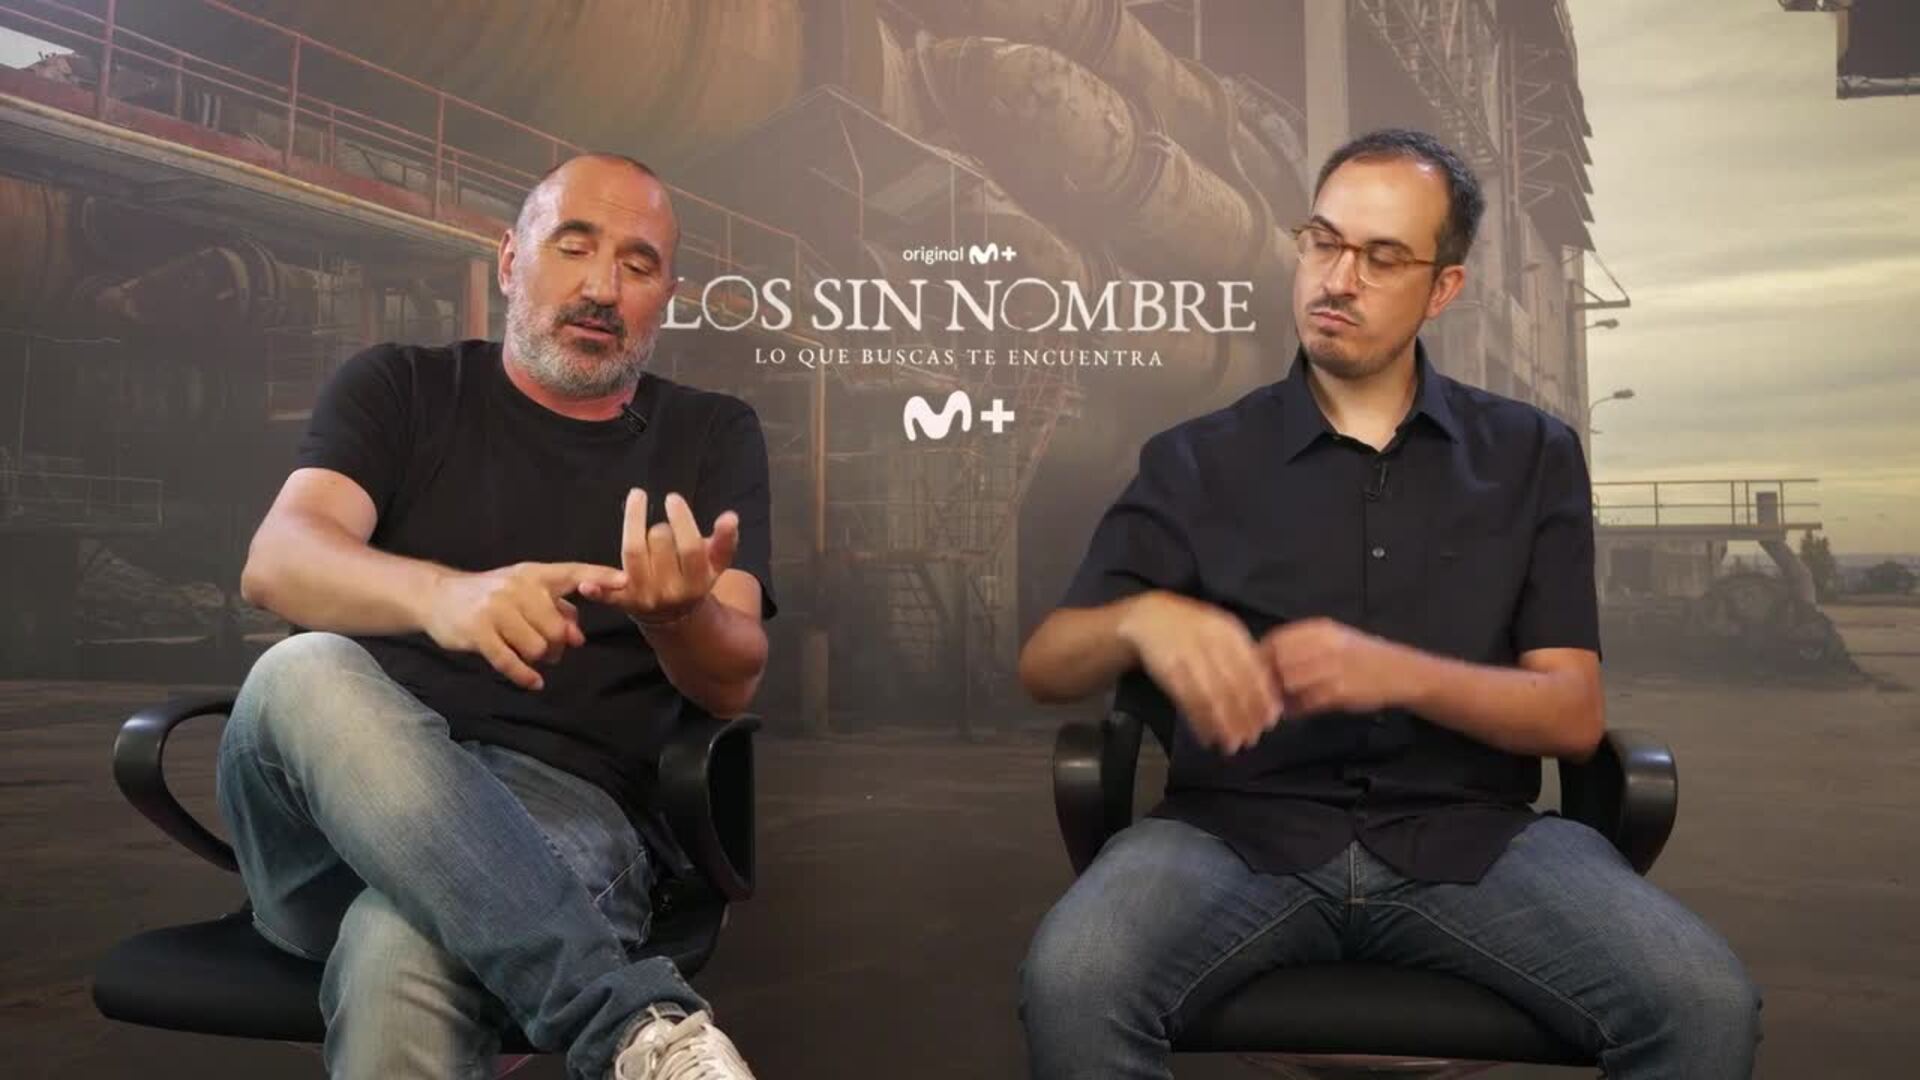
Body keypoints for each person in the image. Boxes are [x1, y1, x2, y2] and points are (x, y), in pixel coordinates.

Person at [1015, 129, 1760, 1079]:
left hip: (1475, 843)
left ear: (1442, 288)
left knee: (1702, 1002)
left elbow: (1572, 717)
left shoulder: (1531, 456)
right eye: (1323, 242)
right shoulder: (1195, 458)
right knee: (1075, 977)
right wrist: (1138, 618)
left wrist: (1393, 673)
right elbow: (1048, 664)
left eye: (1381, 257)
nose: (1338, 279)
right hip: (1230, 837)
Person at [220, 152, 774, 1080]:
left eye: (638, 265)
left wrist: (677, 618)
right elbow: (278, 560)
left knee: (402, 945)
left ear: (667, 298)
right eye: (574, 246)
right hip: (327, 821)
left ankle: (628, 1029)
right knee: (299, 670)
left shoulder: (711, 434)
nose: (602, 288)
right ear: (511, 260)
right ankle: (631, 1025)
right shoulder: (400, 387)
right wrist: (446, 597)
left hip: (558, 809)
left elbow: (733, 679)